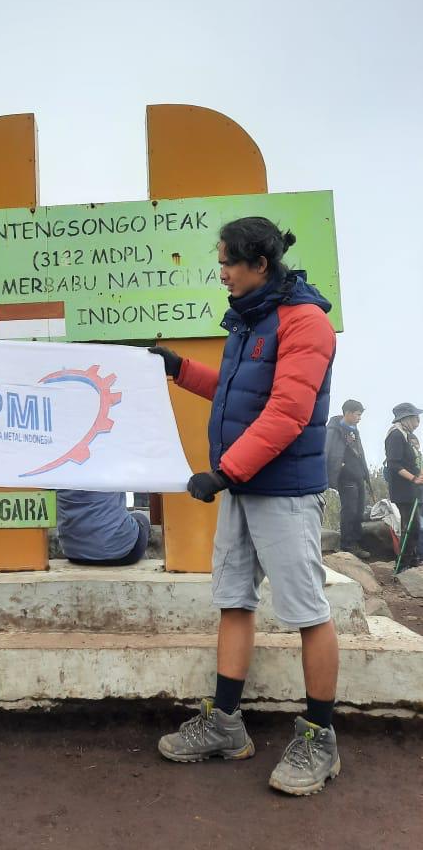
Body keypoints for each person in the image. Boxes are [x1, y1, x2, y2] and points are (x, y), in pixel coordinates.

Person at [150, 216, 339, 797]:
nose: (223, 272)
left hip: (281, 492)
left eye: (230, 262)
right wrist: (179, 368)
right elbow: (235, 389)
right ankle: (227, 725)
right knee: (234, 601)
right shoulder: (249, 322)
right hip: (243, 488)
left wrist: (224, 471)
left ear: (261, 264)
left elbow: (286, 413)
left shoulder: (306, 323)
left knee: (307, 612)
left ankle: (320, 738)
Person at [326, 400, 371, 558]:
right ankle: (347, 544)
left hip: (358, 475)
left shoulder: (354, 429)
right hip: (346, 477)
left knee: (359, 510)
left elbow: (360, 453)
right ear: (348, 413)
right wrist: (338, 467)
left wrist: (366, 474)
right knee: (349, 510)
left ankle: (356, 542)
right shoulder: (334, 430)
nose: (359, 418)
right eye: (358, 414)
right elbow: (327, 451)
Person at [55, 490, 150, 565]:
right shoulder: (110, 468)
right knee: (141, 518)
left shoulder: (61, 471)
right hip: (122, 555)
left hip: (73, 553)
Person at [384, 402, 423, 570]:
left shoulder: (406, 435)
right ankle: (402, 564)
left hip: (412, 489)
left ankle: (412, 558)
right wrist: (413, 478)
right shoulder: (395, 435)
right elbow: (394, 464)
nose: (418, 422)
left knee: (414, 526)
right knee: (409, 526)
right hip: (403, 489)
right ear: (406, 418)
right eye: (415, 418)